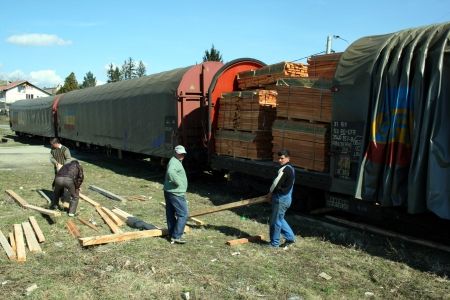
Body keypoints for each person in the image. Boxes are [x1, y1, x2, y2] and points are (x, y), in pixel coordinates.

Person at [267, 149, 296, 247]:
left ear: (288, 158)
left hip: (281, 199)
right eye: (279, 158)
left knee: (275, 221)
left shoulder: (285, 169)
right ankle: (290, 238)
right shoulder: (291, 168)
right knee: (279, 219)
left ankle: (274, 243)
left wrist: (270, 193)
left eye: (282, 158)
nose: (280, 160)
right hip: (287, 198)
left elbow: (275, 183)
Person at [163, 145, 189, 244]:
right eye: (180, 153)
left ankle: (172, 233)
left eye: (183, 153)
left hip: (169, 191)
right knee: (183, 214)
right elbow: (170, 172)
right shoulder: (174, 162)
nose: (182, 155)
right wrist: (178, 183)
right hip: (175, 193)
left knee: (170, 213)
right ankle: (176, 236)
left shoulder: (175, 161)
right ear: (175, 152)